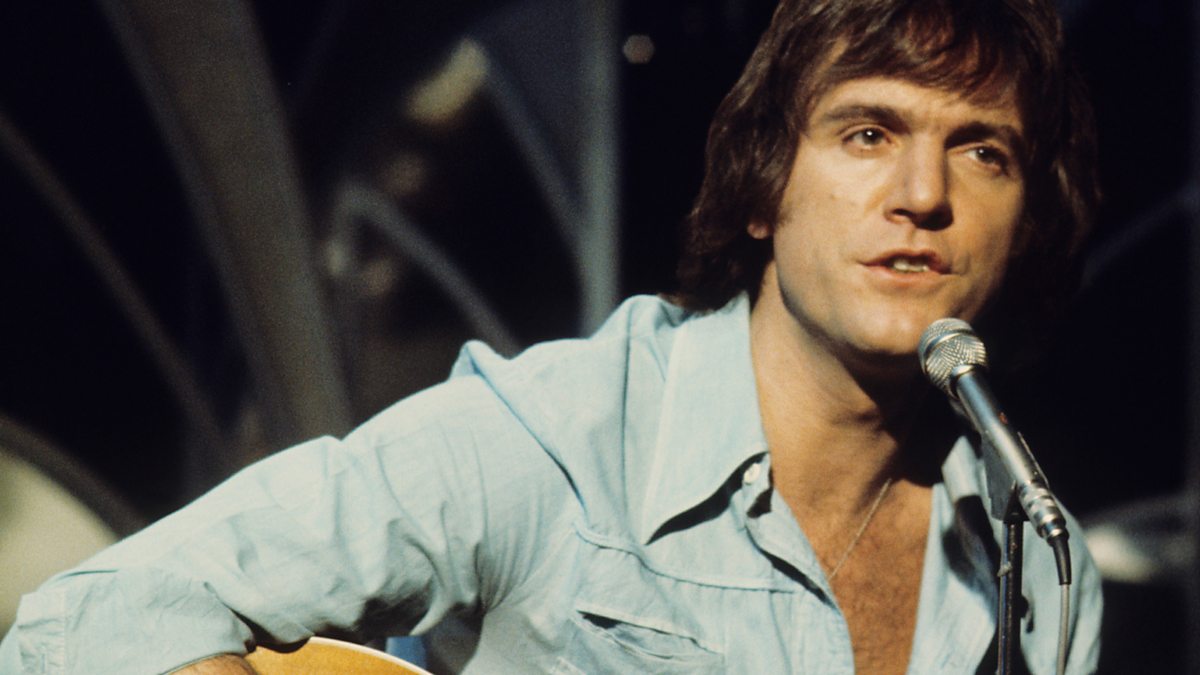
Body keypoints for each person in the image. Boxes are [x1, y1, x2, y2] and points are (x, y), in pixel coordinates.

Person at [1, 0, 1103, 672]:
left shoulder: (1039, 570)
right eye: (868, 132)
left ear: (1024, 221)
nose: (924, 193)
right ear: (765, 188)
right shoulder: (553, 441)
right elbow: (93, 619)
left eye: (985, 152)